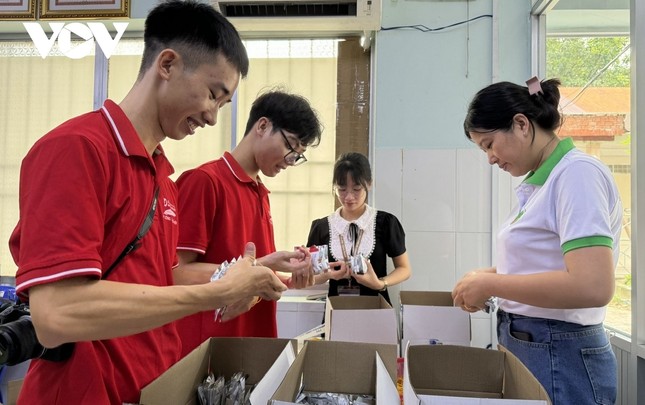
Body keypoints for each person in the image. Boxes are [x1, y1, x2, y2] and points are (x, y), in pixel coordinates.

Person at [8, 1, 287, 404]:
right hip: (84, 391)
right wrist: (217, 293)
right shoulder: (77, 150)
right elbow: (56, 314)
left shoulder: (163, 179)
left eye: (223, 105)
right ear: (168, 64)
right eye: (213, 94)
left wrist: (250, 273)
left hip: (152, 387)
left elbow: (158, 282)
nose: (212, 117)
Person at [452, 78, 621, 405]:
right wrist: (484, 278)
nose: (489, 158)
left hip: (560, 350)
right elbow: (544, 262)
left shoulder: (577, 175)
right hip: (537, 345)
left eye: (489, 145)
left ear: (521, 125)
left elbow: (593, 285)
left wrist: (492, 284)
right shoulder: (541, 183)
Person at [174, 89, 323, 356]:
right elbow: (176, 273)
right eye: (291, 146)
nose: (291, 161)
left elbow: (253, 276)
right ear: (263, 126)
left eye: (298, 155)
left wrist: (291, 281)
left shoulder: (260, 193)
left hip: (253, 347)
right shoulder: (205, 182)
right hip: (209, 352)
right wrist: (262, 265)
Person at [306, 152, 411, 304]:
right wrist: (328, 275)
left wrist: (380, 284)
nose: (349, 197)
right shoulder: (321, 227)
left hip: (376, 308)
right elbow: (311, 277)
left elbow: (404, 269)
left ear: (369, 184)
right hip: (336, 308)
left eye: (356, 189)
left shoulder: (386, 223)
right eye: (342, 189)